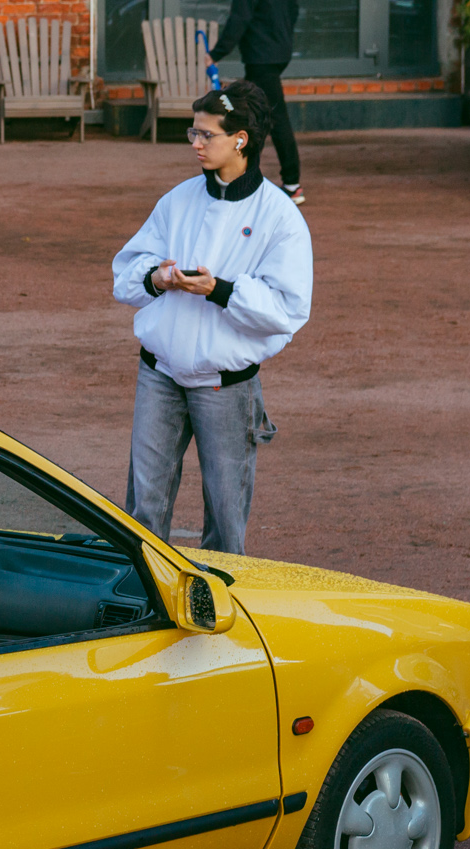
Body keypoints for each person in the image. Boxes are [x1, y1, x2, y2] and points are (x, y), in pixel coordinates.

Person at [111, 81, 312, 556]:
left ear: (240, 139)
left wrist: (220, 291)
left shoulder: (280, 217)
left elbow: (287, 310)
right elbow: (126, 272)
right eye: (193, 133)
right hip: (159, 373)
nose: (196, 144)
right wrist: (157, 279)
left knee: (225, 517)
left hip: (227, 385)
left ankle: (225, 615)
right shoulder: (178, 199)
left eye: (207, 135)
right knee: (142, 509)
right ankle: (140, 606)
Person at [209, 0, 304, 203]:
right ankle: (245, 177)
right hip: (275, 53)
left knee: (272, 118)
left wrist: (216, 54)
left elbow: (239, 19)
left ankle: (290, 183)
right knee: (257, 116)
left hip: (261, 56)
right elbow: (293, 10)